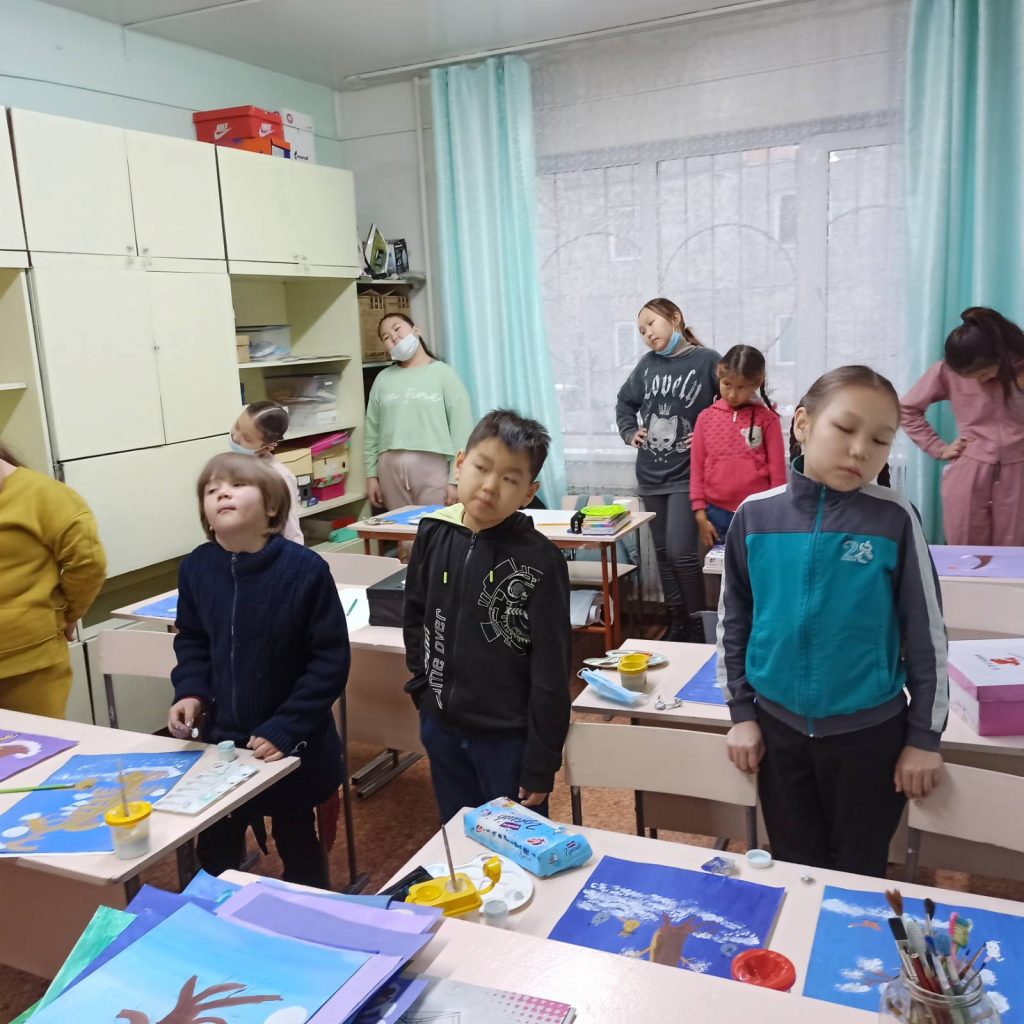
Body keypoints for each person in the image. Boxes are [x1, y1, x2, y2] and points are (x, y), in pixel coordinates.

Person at [719, 366, 948, 878]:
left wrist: (923, 739)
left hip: (869, 736)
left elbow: (927, 637)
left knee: (859, 872)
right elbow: (734, 622)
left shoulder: (895, 518)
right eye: (845, 428)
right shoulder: (754, 516)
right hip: (777, 732)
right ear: (802, 424)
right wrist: (741, 713)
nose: (860, 450)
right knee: (796, 867)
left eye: (880, 440)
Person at [168, 453, 348, 887]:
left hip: (294, 743)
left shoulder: (305, 570)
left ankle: (307, 915)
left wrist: (287, 727)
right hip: (223, 742)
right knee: (215, 851)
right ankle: (217, 919)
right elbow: (193, 639)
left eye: (236, 485)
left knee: (298, 845)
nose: (222, 494)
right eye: (212, 490)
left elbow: (329, 661)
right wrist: (190, 691)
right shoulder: (196, 567)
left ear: (271, 507)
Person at [402, 409, 571, 822]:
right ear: (460, 464)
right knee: (459, 834)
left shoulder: (541, 561)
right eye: (481, 467)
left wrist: (542, 761)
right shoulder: (433, 533)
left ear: (528, 493)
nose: (490, 486)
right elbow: (416, 615)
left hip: (507, 739)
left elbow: (551, 669)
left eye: (510, 479)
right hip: (442, 728)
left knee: (518, 842)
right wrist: (424, 692)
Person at [616, 298, 721, 641]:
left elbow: (730, 404)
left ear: (675, 318)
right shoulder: (647, 365)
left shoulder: (707, 360)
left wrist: (707, 433)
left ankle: (696, 623)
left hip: (687, 474)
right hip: (650, 474)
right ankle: (677, 620)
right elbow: (625, 402)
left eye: (651, 323)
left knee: (681, 552)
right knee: (662, 553)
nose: (647, 333)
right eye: (641, 330)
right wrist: (630, 432)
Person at [0, 440, 106, 718]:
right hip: (31, 653)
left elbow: (89, 562)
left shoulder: (44, 495)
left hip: (29, 663)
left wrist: (69, 613)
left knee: (36, 742)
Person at [900, 306, 1024, 545]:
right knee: (965, 551)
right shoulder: (948, 371)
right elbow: (907, 409)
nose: (981, 381)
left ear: (1000, 356)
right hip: (969, 471)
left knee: (1015, 553)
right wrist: (938, 448)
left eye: (984, 373)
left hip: (1018, 472)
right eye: (972, 378)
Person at [365, 313, 474, 512]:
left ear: (416, 329)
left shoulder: (444, 374)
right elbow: (371, 431)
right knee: (400, 530)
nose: (394, 337)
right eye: (386, 337)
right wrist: (371, 476)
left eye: (397, 328)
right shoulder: (383, 379)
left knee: (435, 527)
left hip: (433, 470)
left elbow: (462, 430)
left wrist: (455, 480)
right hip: (389, 472)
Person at [690, 345, 786, 548]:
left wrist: (775, 514)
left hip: (758, 512)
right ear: (719, 374)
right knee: (719, 567)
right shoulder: (705, 418)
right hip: (715, 513)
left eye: (741, 387)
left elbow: (778, 474)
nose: (732, 394)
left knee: (754, 566)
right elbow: (697, 469)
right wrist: (700, 515)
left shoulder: (768, 419)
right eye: (727, 384)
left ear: (757, 382)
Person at [228, 400, 304, 545]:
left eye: (247, 438)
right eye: (237, 426)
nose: (236, 437)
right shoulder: (234, 463)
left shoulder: (278, 476)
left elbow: (291, 530)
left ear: (268, 447)